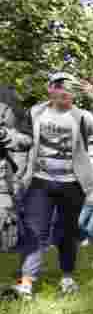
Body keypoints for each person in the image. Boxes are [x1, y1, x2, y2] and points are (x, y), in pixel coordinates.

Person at [3, 72, 93, 299]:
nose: (64, 91)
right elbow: (22, 140)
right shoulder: (36, 112)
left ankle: (67, 277)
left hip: (72, 184)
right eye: (59, 86)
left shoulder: (81, 116)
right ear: (50, 89)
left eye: (69, 88)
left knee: (67, 233)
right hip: (40, 182)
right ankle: (26, 283)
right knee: (34, 231)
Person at [0, 85, 28, 252]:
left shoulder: (8, 98)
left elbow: (24, 140)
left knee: (6, 222)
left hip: (5, 185)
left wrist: (5, 136)